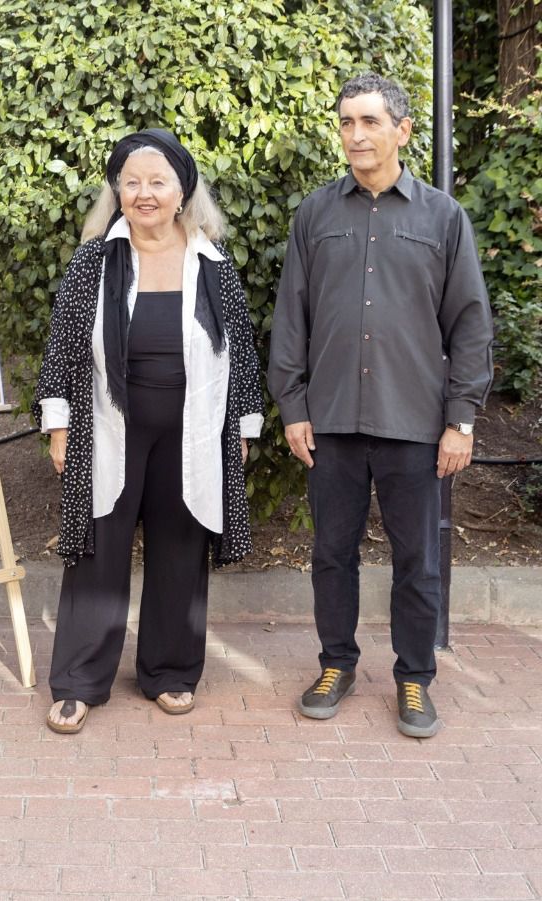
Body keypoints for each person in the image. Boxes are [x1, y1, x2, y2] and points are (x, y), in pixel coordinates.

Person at [268, 73, 493, 739]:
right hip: (331, 420)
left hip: (414, 422)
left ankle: (415, 676)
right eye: (346, 122)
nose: (356, 135)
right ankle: (336, 663)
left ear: (402, 130)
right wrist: (292, 404)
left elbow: (471, 325)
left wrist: (461, 419)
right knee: (331, 552)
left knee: (417, 558)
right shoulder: (315, 214)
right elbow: (292, 318)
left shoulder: (442, 218)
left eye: (369, 122)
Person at [34, 128, 263, 733]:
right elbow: (62, 346)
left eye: (157, 182)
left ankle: (170, 671)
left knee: (181, 547)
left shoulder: (211, 261)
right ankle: (79, 681)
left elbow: (238, 348)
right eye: (131, 182)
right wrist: (58, 425)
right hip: (108, 427)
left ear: (182, 190)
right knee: (97, 551)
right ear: (117, 190)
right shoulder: (96, 259)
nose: (144, 194)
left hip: (192, 429)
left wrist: (240, 426)